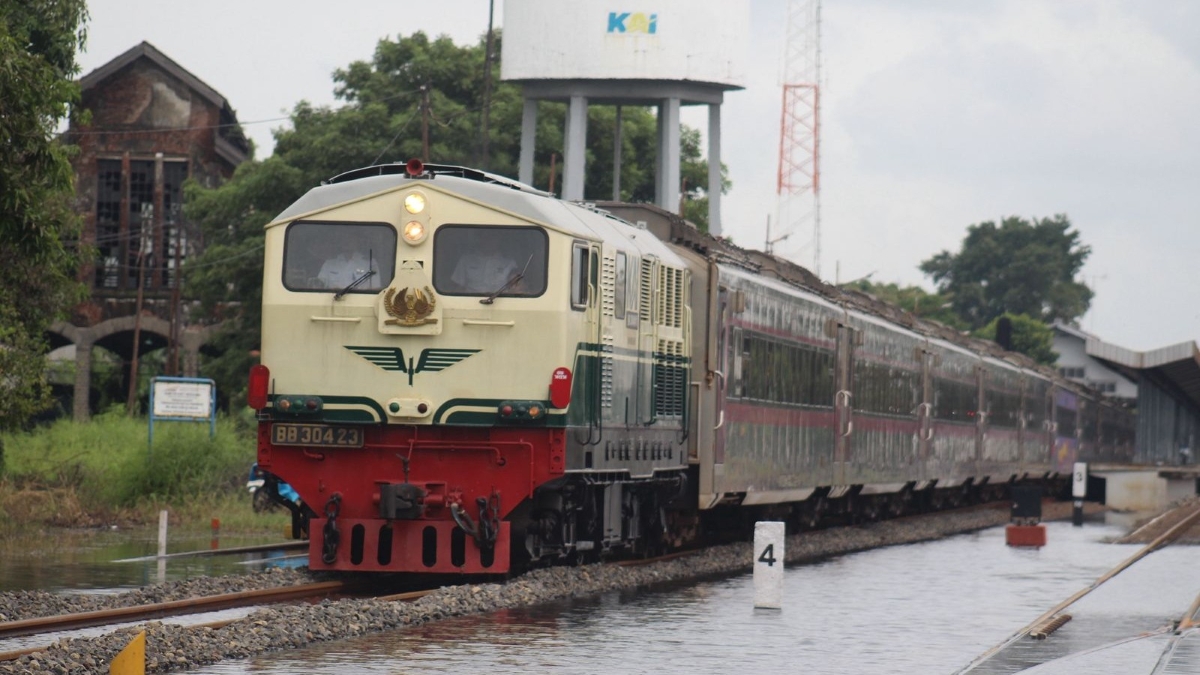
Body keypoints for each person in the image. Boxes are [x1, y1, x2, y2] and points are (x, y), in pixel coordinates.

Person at [450, 247, 519, 293]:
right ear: (478, 238)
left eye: (492, 237)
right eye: (484, 236)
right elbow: (457, 287)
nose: (488, 240)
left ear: (498, 239)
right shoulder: (466, 260)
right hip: (470, 303)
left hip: (502, 303)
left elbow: (516, 288)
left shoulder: (509, 263)